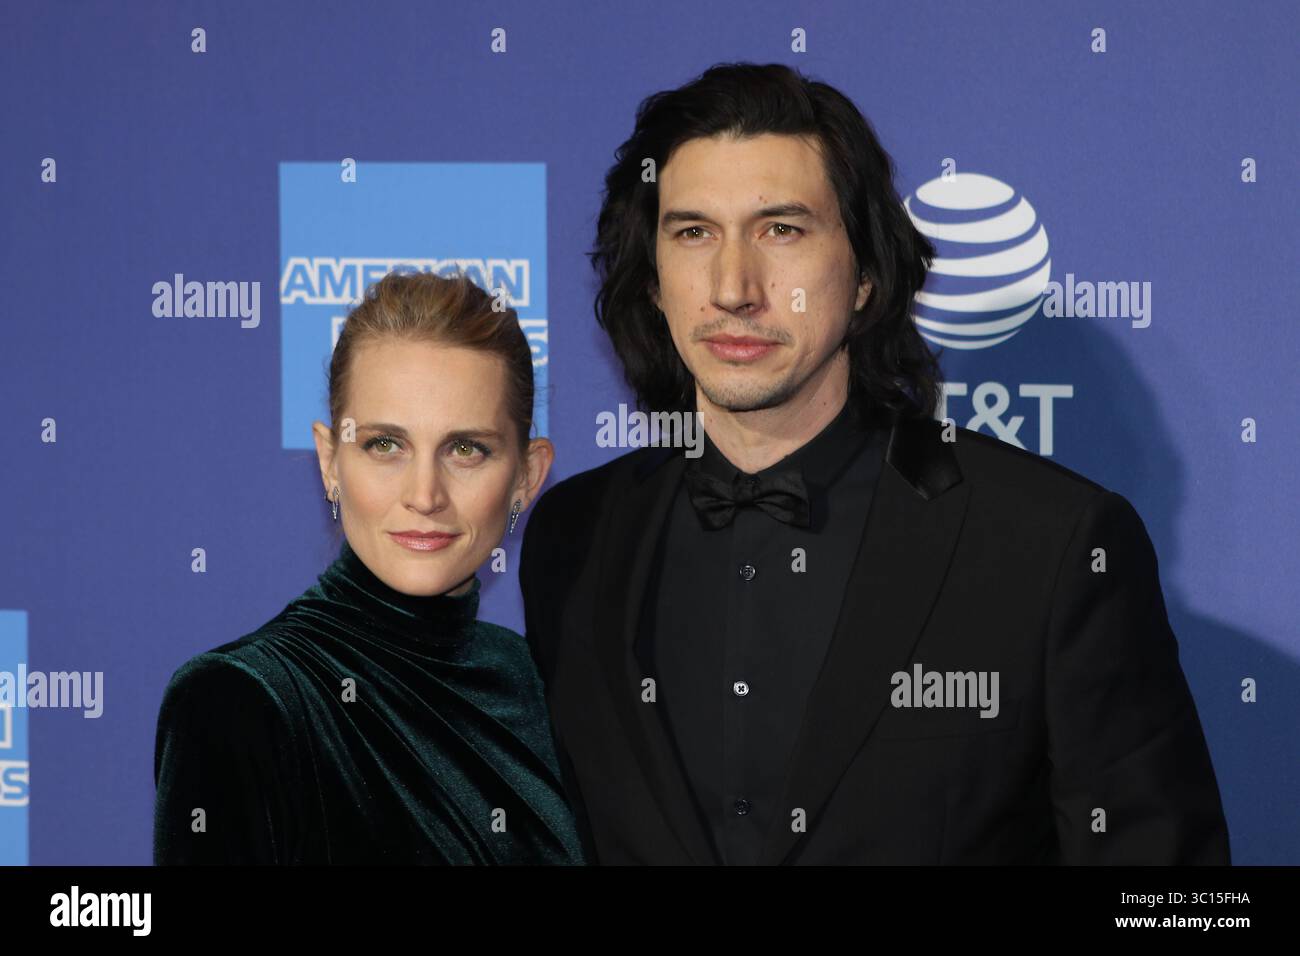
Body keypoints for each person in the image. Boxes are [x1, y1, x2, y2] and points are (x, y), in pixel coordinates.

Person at [518, 62, 1230, 865]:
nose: (734, 287)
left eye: (781, 229)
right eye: (693, 233)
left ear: (864, 275)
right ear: (652, 280)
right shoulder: (574, 540)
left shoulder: (1050, 546)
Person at [153, 270, 585, 864]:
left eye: (466, 448)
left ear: (527, 476)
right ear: (331, 462)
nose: (425, 494)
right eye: (385, 445)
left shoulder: (538, 682)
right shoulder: (239, 702)